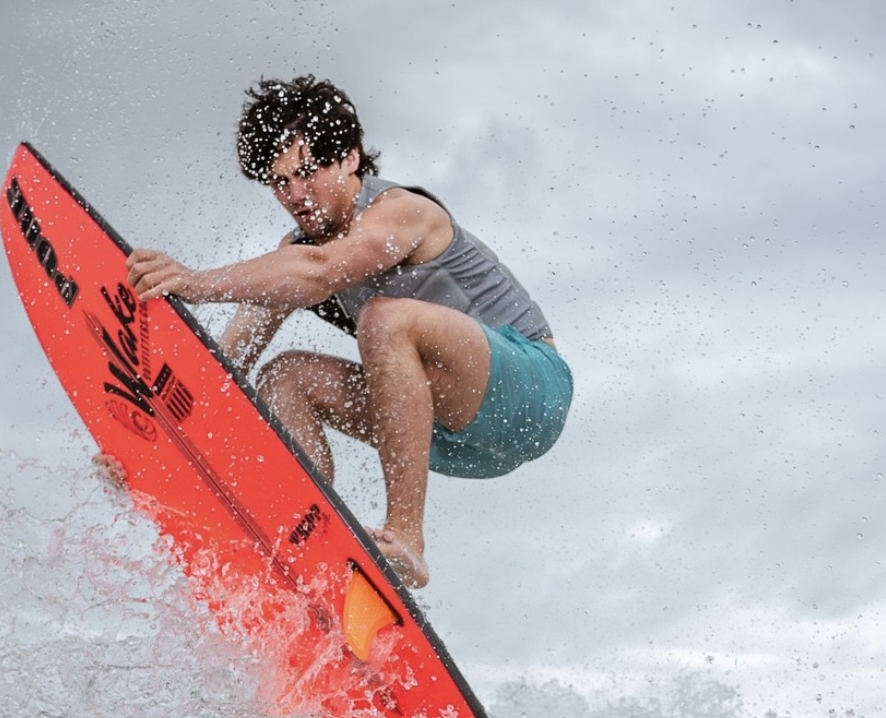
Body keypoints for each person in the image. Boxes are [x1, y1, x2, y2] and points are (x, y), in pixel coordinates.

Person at [126, 76, 572, 589]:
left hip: (531, 395)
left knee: (385, 317)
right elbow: (224, 365)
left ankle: (404, 537)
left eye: (309, 173)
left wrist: (195, 283)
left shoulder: (402, 212)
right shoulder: (295, 251)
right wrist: (148, 449)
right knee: (285, 378)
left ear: (351, 158)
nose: (295, 195)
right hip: (449, 438)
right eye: (280, 182)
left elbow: (320, 270)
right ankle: (304, 540)